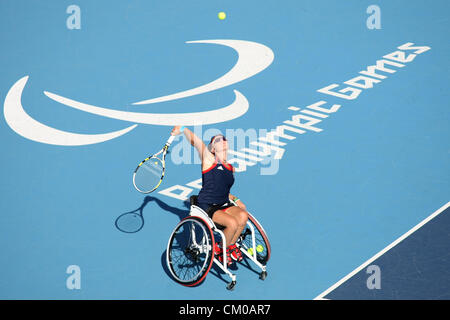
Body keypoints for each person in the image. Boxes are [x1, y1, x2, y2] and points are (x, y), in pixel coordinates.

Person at [171, 125, 248, 266]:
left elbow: (222, 189)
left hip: (223, 203)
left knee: (243, 216)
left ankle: (230, 246)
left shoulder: (230, 168)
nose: (222, 140)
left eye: (224, 139)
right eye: (217, 140)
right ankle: (220, 249)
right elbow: (196, 142)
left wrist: (236, 199)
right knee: (232, 223)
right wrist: (183, 129)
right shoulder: (209, 160)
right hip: (207, 206)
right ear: (212, 149)